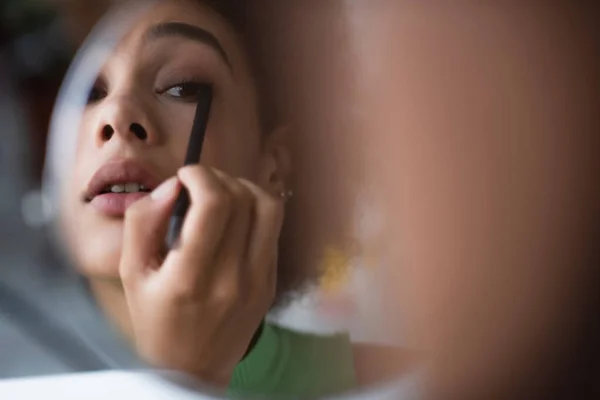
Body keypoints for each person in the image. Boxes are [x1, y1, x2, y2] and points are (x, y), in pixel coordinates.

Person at [56, 0, 404, 397]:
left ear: (273, 168)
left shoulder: (407, 383)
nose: (116, 113)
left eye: (181, 86)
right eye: (89, 92)